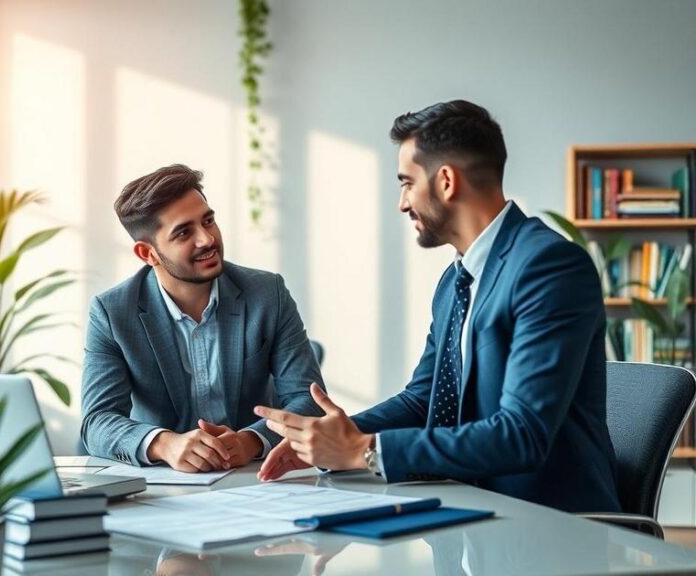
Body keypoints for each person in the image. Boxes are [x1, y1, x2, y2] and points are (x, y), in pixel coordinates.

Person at [256, 100, 621, 513]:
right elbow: (423, 399)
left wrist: (365, 450)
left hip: (552, 524)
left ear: (446, 181)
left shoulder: (549, 267)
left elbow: (522, 433)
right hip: (470, 511)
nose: (402, 202)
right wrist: (335, 434)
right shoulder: (456, 280)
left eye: (406, 183)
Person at [81, 164, 324, 472]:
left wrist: (250, 441)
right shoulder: (113, 312)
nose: (207, 239)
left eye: (208, 221)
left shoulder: (267, 293)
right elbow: (97, 421)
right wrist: (164, 444)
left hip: (254, 477)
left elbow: (310, 401)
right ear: (148, 253)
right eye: (184, 232)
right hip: (165, 488)